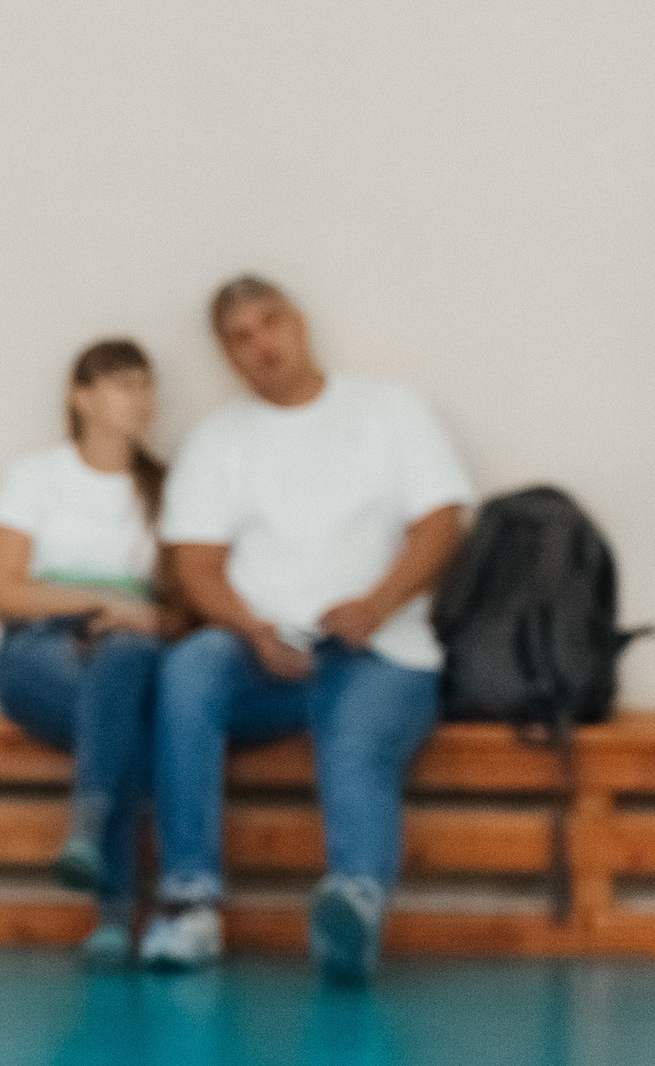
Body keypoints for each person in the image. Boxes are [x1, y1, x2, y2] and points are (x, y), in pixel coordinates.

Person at [142, 277, 474, 981]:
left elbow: (441, 525)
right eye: (241, 337)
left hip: (381, 651)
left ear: (299, 322)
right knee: (188, 669)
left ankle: (354, 909)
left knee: (355, 742)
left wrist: (375, 605)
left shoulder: (389, 410)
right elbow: (197, 564)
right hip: (267, 654)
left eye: (270, 324)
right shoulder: (218, 440)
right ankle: (190, 902)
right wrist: (252, 628)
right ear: (229, 356)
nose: (262, 344)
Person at [0, 339, 175, 966]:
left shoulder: (168, 487)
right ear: (81, 396)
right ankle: (121, 911)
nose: (139, 398)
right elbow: (5, 593)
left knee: (123, 669)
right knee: (128, 728)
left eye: (146, 385)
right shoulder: (35, 476)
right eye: (122, 383)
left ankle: (90, 837)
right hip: (42, 649)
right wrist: (94, 604)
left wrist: (136, 617)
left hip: (132, 651)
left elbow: (179, 604)